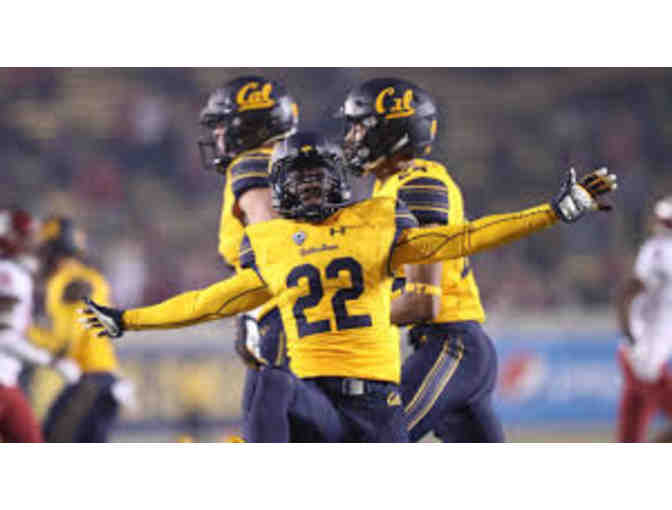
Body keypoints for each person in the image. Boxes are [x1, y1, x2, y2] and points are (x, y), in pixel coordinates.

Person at [80, 131, 617, 442]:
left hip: (378, 408)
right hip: (316, 399)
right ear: (281, 190)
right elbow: (208, 302)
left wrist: (553, 212)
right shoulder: (274, 243)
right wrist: (129, 319)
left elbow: (462, 238)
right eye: (300, 179)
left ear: (339, 178)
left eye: (319, 176)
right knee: (269, 380)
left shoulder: (376, 221)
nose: (312, 187)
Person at [341, 77, 616, 442]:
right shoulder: (391, 186)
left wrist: (347, 316)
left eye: (360, 127)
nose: (351, 138)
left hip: (450, 345)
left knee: (374, 442)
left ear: (392, 132)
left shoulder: (418, 184)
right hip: (450, 347)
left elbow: (424, 301)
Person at [198, 75, 299, 440]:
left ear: (249, 125)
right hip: (288, 309)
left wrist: (252, 312)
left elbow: (274, 248)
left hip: (283, 312)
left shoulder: (255, 165)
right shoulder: (281, 163)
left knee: (267, 426)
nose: (217, 135)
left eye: (223, 125)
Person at [32, 216, 131, 442]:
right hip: (105, 380)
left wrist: (26, 334)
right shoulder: (93, 278)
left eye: (43, 250)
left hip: (89, 382)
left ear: (53, 251)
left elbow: (65, 343)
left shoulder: (66, 281)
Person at [0, 208, 78, 442]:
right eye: (29, 236)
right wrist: (52, 362)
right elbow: (5, 339)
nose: (36, 243)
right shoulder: (9, 275)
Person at [616, 196, 672, 442]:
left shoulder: (657, 248)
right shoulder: (661, 250)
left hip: (644, 356)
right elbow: (628, 291)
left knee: (630, 437)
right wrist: (629, 333)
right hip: (644, 359)